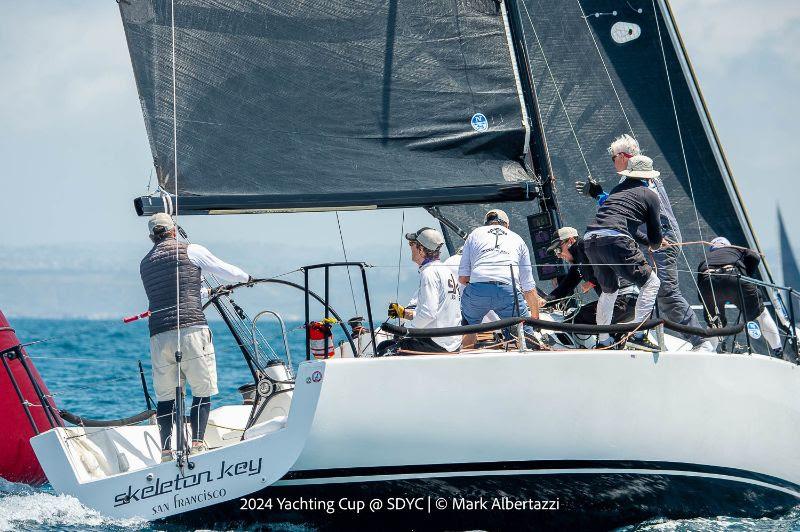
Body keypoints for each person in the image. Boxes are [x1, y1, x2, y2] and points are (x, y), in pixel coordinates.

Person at [576, 134, 712, 351]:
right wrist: (599, 194)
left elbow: (647, 208)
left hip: (661, 238)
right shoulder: (631, 180)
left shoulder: (649, 180)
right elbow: (622, 210)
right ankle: (631, 335)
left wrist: (654, 241)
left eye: (613, 159)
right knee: (630, 289)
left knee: (664, 292)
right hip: (636, 239)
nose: (613, 164)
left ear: (622, 156)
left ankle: (701, 341)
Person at [140, 213, 252, 462]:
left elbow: (178, 290)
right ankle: (198, 444)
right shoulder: (192, 250)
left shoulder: (145, 263)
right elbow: (226, 270)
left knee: (166, 396)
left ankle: (167, 452)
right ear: (173, 231)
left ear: (151, 237)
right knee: (202, 389)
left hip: (159, 334)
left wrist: (207, 291)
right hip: (191, 329)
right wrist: (247, 278)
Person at [583, 155, 663, 349]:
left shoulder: (618, 190)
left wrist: (649, 242)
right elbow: (655, 237)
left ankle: (603, 341)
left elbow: (630, 229)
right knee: (652, 283)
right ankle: (637, 336)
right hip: (615, 239)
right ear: (649, 177)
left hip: (590, 239)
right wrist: (656, 244)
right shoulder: (650, 194)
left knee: (610, 291)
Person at [458, 209, 539, 347]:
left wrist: (481, 286)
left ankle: (464, 352)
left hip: (477, 290)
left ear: (486, 224)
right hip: (508, 292)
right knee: (524, 336)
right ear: (507, 225)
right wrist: (535, 318)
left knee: (468, 328)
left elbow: (463, 278)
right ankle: (522, 344)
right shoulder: (517, 239)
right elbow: (528, 287)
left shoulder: (475, 234)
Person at [697, 237, 783, 357]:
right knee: (761, 314)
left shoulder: (705, 260)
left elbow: (700, 292)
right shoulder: (736, 250)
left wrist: (711, 303)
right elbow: (755, 256)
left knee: (714, 323)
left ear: (712, 248)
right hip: (734, 277)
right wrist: (746, 274)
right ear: (728, 245)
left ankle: (709, 354)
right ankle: (778, 349)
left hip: (708, 281)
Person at [383, 227, 461, 354]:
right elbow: (436, 313)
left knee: (383, 349)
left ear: (421, 249)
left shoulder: (429, 273)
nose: (410, 247)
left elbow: (428, 314)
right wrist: (404, 313)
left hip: (436, 343)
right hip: (451, 342)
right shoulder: (445, 270)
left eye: (411, 244)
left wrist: (407, 332)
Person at [542, 227, 637, 326]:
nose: (558, 255)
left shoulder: (586, 247)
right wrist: (545, 301)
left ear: (571, 240)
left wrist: (592, 281)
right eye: (555, 253)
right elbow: (565, 287)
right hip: (627, 303)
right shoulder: (579, 263)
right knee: (578, 317)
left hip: (623, 299)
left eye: (558, 249)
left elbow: (603, 266)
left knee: (573, 321)